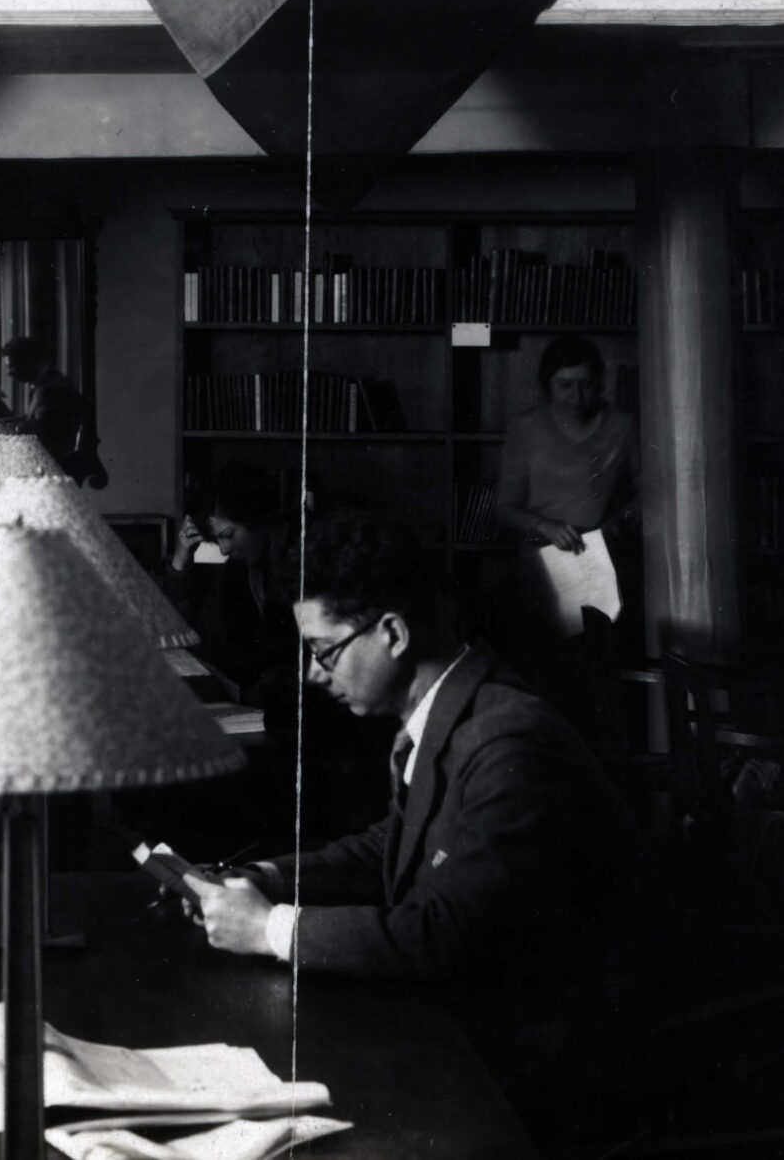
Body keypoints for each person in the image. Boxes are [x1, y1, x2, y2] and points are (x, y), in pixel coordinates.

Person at [185, 517, 658, 1145]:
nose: (312, 674)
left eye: (324, 650)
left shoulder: (507, 736)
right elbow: (392, 844)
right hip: (479, 1022)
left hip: (547, 1068)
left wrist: (269, 928)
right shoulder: (454, 710)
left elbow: (446, 932)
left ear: (393, 633)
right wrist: (266, 877)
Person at [493, 334, 638, 557]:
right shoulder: (526, 428)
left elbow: (652, 497)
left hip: (605, 551)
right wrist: (543, 526)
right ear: (547, 386)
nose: (576, 396)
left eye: (586, 384)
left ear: (599, 384)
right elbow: (504, 508)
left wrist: (618, 524)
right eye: (565, 385)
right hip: (542, 554)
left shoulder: (622, 426)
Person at [165, 460, 299, 700]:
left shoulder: (307, 556)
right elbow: (197, 635)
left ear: (255, 516)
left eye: (228, 536)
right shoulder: (239, 570)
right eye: (218, 541)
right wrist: (180, 563)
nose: (224, 550)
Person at [2, 334, 106, 488]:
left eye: (13, 366)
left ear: (29, 361)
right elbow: (38, 419)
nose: (9, 373)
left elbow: (45, 429)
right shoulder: (48, 384)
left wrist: (8, 429)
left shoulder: (51, 389)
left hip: (52, 466)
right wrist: (2, 423)